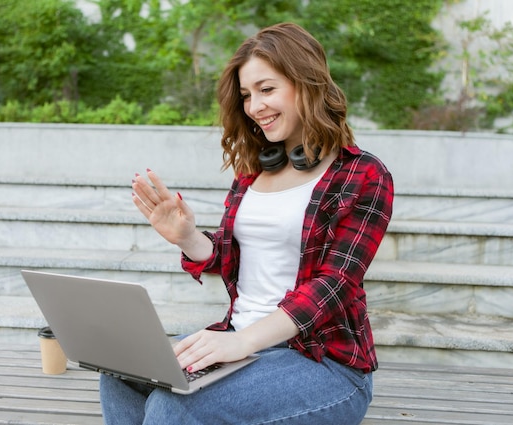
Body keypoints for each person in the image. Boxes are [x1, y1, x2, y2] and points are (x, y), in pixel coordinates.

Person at [100, 22, 393, 425]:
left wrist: (240, 342)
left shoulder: (363, 175)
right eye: (246, 95)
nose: (254, 107)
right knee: (122, 375)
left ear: (307, 84)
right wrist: (187, 238)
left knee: (174, 408)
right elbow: (237, 257)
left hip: (323, 363)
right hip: (244, 343)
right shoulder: (253, 172)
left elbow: (334, 285)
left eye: (267, 89)